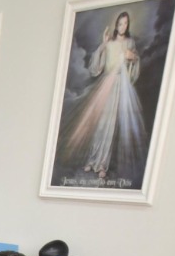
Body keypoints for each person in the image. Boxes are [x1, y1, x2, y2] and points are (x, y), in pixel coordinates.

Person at [56, 11, 147, 186]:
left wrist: (132, 57)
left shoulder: (129, 43)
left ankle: (102, 164)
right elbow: (96, 67)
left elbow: (134, 62)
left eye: (125, 24)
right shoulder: (110, 42)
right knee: (98, 123)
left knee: (110, 125)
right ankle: (92, 160)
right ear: (116, 25)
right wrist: (103, 45)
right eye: (120, 23)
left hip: (119, 85)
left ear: (128, 25)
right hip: (106, 83)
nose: (123, 26)